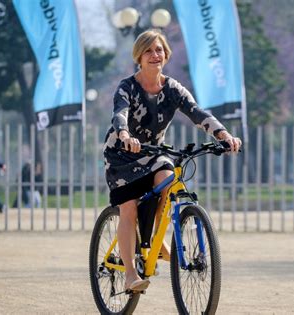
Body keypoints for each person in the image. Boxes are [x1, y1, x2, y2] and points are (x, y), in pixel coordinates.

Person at [103, 29, 242, 292]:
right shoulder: (127, 87)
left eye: (159, 50)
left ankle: (157, 237)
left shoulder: (173, 88)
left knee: (169, 178)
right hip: (121, 154)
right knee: (129, 208)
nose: (155, 55)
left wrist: (223, 134)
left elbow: (197, 112)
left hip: (152, 153)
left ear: (166, 54)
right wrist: (124, 134)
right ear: (139, 57)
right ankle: (131, 274)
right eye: (149, 51)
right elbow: (119, 114)